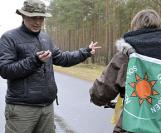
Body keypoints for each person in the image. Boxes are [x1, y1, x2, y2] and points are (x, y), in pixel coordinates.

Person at [0, 0, 101, 133]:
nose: (37, 22)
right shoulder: (9, 37)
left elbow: (63, 58)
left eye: (41, 18)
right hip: (21, 109)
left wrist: (85, 52)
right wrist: (35, 61)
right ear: (23, 16)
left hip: (47, 107)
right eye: (33, 18)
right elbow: (5, 70)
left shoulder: (45, 38)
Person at [89, 9, 161, 133]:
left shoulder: (125, 55)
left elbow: (101, 92)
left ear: (135, 27)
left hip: (130, 126)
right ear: (160, 27)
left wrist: (95, 96)